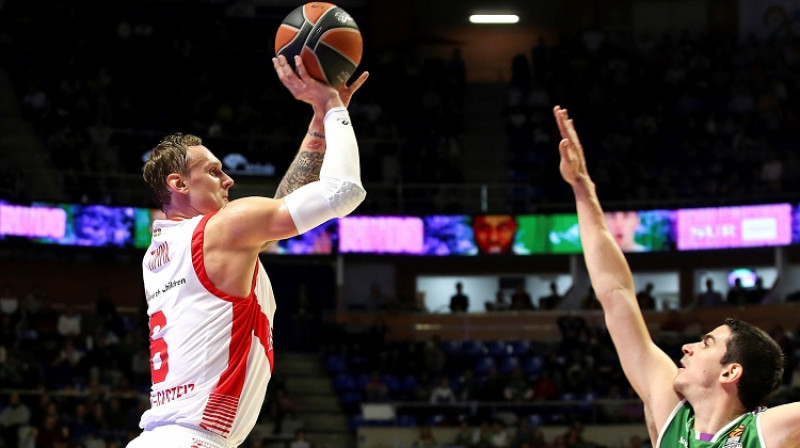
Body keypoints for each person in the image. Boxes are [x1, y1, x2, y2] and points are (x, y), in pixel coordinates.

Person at [126, 54, 368, 448]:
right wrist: (335, 109)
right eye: (214, 171)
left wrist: (318, 122)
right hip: (192, 439)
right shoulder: (223, 229)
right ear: (179, 184)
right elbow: (344, 191)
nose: (229, 179)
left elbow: (274, 220)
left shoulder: (164, 248)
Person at [553, 105, 798, 447]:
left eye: (707, 344)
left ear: (731, 371)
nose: (687, 346)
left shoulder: (769, 431)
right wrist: (581, 186)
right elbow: (615, 292)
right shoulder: (671, 416)